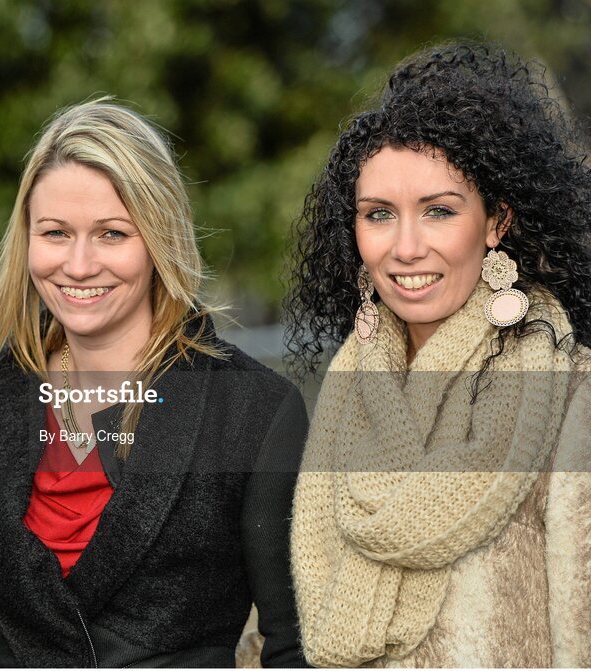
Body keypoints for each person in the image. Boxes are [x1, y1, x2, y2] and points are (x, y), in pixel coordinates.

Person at [0, 99, 307, 668]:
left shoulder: (253, 410)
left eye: (111, 234)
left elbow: (294, 644)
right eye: (55, 233)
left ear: (159, 240)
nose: (79, 266)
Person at [285, 42, 591, 667]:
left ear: (496, 222)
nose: (405, 247)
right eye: (378, 216)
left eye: (439, 212)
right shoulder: (350, 392)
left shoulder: (570, 395)